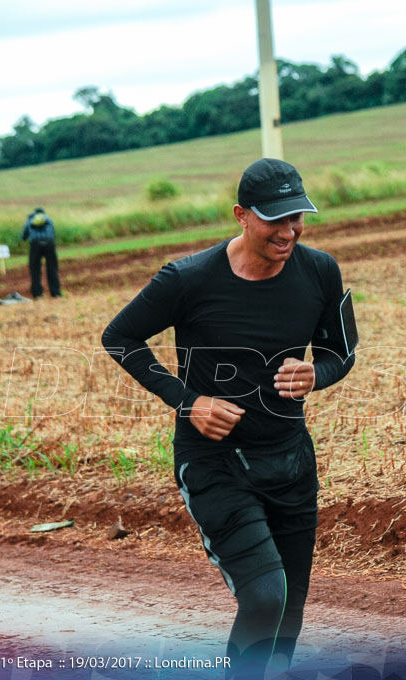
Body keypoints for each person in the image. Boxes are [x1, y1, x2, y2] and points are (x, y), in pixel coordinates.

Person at [102, 159, 356, 678]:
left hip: (290, 461)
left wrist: (317, 373)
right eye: (275, 220)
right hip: (214, 462)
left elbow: (341, 351)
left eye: (297, 218)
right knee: (265, 597)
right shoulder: (188, 279)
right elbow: (119, 337)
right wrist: (188, 401)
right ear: (242, 215)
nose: (289, 231)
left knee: (289, 610)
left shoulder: (321, 271)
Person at [21, 207, 61, 299]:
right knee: (52, 269)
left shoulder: (30, 220)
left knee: (35, 270)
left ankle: (37, 294)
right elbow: (53, 233)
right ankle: (56, 293)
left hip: (35, 245)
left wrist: (26, 238)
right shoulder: (48, 219)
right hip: (49, 244)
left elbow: (24, 236)